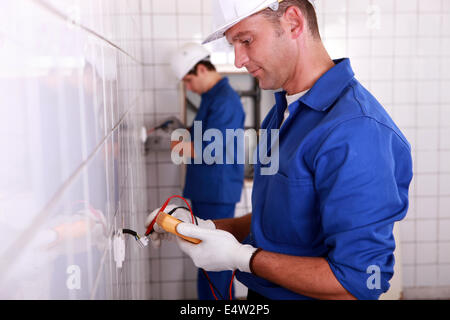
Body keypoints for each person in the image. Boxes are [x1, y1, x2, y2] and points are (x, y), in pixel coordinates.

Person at [147, 0, 413, 300]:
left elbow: (359, 282)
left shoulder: (356, 131)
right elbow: (281, 216)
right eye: (234, 45)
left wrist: (244, 259)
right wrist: (204, 227)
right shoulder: (282, 113)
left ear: (293, 22)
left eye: (246, 40)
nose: (237, 61)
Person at [146, 43, 246, 300]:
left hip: (217, 190)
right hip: (208, 189)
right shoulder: (212, 97)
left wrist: (170, 144)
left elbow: (208, 149)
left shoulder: (225, 100)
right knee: (205, 258)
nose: (188, 88)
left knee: (214, 262)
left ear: (202, 69)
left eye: (189, 81)